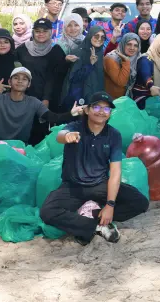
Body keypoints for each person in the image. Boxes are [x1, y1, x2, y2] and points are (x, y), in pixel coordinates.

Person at [39, 92, 150, 243]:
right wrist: (67, 137)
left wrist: (110, 205)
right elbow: (61, 135)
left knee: (140, 202)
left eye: (106, 109)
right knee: (47, 212)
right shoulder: (75, 127)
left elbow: (116, 172)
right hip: (72, 187)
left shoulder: (113, 135)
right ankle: (95, 226)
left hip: (100, 185)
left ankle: (94, 214)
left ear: (110, 113)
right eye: (96, 107)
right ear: (86, 110)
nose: (101, 112)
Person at [0, 67, 51, 145]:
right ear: (9, 82)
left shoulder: (33, 102)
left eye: (24, 79)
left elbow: (52, 117)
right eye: (16, 78)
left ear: (29, 84)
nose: (20, 81)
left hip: (21, 148)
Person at [16, 18, 67, 111]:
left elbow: (55, 78)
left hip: (47, 100)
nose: (41, 34)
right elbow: (9, 57)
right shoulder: (24, 48)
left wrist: (46, 98)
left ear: (50, 32)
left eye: (45, 31)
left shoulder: (56, 50)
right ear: (33, 32)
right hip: (24, 96)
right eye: (37, 31)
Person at [59, 27, 108, 113]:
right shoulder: (79, 52)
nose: (99, 39)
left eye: (102, 37)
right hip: (77, 99)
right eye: (96, 36)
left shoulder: (100, 53)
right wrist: (90, 65)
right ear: (90, 36)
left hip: (94, 97)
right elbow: (74, 78)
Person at [131, 33, 160, 108]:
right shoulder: (145, 58)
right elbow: (145, 73)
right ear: (157, 43)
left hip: (159, 99)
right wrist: (151, 86)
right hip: (143, 98)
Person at [104, 32, 140, 99]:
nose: (132, 48)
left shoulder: (138, 58)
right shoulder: (111, 58)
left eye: (136, 45)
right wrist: (126, 61)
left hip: (128, 100)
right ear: (123, 44)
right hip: (112, 101)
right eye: (129, 44)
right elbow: (121, 82)